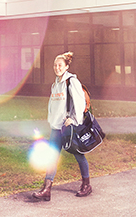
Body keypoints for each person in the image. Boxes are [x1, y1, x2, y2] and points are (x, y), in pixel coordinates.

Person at [30, 51, 91, 201]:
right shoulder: (55, 84)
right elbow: (53, 105)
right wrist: (51, 121)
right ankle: (47, 189)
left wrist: (74, 120)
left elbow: (79, 103)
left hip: (68, 127)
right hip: (56, 127)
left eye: (60, 65)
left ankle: (86, 185)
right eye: (55, 65)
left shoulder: (72, 82)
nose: (57, 68)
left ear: (66, 67)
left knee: (79, 155)